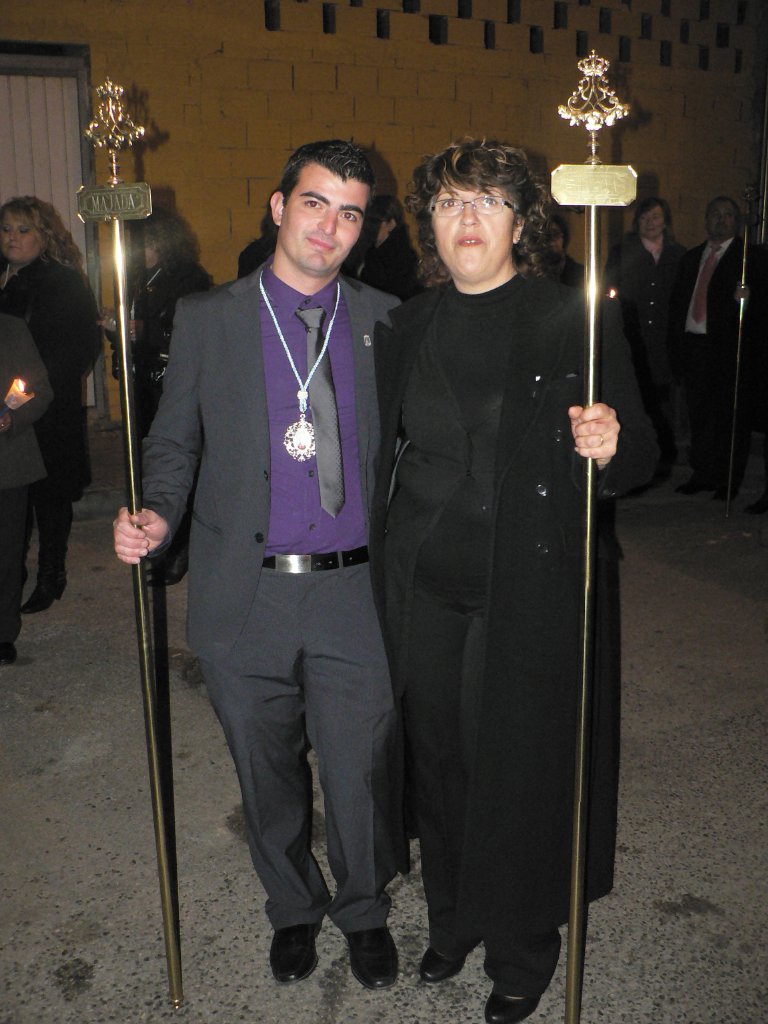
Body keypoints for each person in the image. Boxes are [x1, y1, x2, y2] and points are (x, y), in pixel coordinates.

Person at [369, 139, 658, 1024]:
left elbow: (641, 455)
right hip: (423, 584)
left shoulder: (571, 317)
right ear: (429, 223)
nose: (467, 219)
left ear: (522, 223)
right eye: (450, 202)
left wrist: (608, 447)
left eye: (488, 202)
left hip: (527, 582)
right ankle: (452, 919)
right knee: (439, 762)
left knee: (518, 766)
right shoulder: (407, 325)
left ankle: (522, 946)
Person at [114, 140, 404, 990]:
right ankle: (292, 906)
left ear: (364, 228)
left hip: (357, 592)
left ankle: (363, 910)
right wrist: (157, 511)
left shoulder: (390, 319)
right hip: (247, 593)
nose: (330, 226)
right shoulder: (210, 318)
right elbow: (173, 439)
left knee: (359, 772)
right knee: (266, 772)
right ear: (279, 207)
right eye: (314, 203)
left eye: (350, 213)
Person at [0, 196, 101, 614]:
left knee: (48, 495)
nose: (12, 238)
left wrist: (16, 401)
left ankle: (50, 573)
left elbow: (76, 349)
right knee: (10, 497)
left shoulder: (61, 282)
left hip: (44, 408)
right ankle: (12, 573)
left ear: (44, 235)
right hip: (7, 410)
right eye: (6, 229)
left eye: (24, 230)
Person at [105, 208, 211, 584]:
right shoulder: (138, 278)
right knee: (147, 458)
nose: (142, 248)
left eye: (148, 241)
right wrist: (117, 328)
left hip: (171, 382)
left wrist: (145, 330)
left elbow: (191, 335)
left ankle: (179, 548)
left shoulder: (190, 278)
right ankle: (152, 528)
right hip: (143, 382)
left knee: (177, 461)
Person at [669, 196, 768, 499]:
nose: (720, 220)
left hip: (727, 350)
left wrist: (748, 298)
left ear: (736, 221)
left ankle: (728, 479)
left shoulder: (749, 259)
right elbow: (677, 305)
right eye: (715, 214)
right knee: (699, 416)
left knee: (728, 417)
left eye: (727, 215)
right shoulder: (692, 257)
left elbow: (761, 306)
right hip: (694, 346)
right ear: (706, 219)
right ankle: (703, 472)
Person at [605, 197, 685, 469]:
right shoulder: (622, 252)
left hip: (664, 340)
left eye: (656, 217)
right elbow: (609, 290)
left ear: (666, 221)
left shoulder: (678, 255)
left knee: (663, 398)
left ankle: (664, 453)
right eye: (644, 217)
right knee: (635, 395)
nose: (650, 222)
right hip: (631, 338)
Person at [0, 314, 53, 665]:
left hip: (7, 464)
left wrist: (12, 418)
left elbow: (40, 390)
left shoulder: (11, 329)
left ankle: (3, 632)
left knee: (5, 554)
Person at [356, 195, 421, 300]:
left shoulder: (397, 259)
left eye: (374, 221)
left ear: (391, 224)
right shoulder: (371, 252)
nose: (368, 226)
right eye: (366, 220)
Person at [548, 212, 583, 288]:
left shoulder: (578, 273)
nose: (551, 242)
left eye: (555, 235)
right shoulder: (532, 273)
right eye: (546, 236)